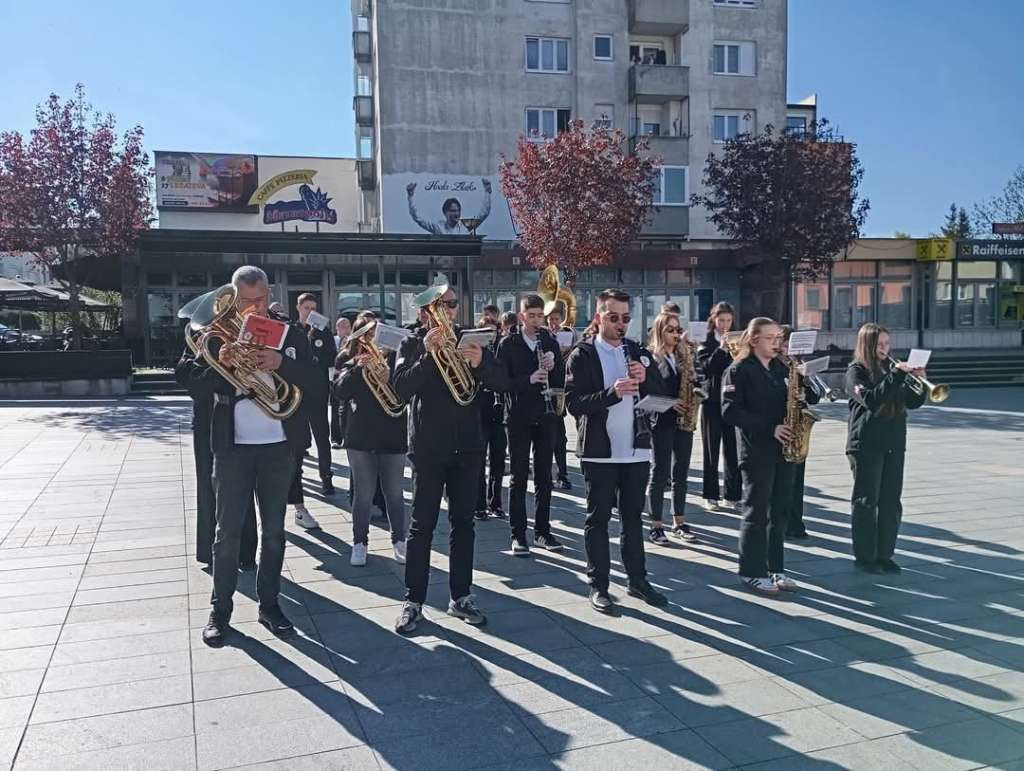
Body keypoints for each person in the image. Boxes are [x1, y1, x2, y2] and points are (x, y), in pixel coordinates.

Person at [182, 266, 316, 646]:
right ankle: (219, 610)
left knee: (274, 533)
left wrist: (281, 364)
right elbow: (187, 380)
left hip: (277, 446)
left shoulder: (288, 331)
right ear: (232, 298)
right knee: (227, 534)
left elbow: (316, 380)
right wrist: (220, 364)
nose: (254, 308)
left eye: (260, 300)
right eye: (246, 301)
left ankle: (269, 605)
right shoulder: (211, 332)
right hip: (232, 448)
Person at [392, 284, 510, 634]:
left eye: (453, 304)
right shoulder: (411, 343)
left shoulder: (471, 339)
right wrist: (428, 357)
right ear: (424, 311)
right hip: (428, 446)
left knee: (464, 525)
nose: (449, 310)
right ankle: (413, 600)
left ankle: (461, 596)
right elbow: (400, 389)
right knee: (421, 525)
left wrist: (482, 362)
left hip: (469, 445)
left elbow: (503, 382)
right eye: (442, 305)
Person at [566, 289, 668, 613]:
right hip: (600, 452)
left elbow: (661, 395)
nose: (621, 324)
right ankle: (598, 586)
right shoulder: (582, 355)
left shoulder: (637, 350)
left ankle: (637, 580)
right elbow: (573, 404)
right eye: (613, 317)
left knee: (633, 520)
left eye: (626, 318)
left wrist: (647, 377)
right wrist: (612, 393)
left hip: (636, 451)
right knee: (597, 520)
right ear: (598, 318)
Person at [721, 317, 819, 595]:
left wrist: (804, 384)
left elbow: (808, 399)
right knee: (757, 512)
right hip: (757, 450)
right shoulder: (738, 370)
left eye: (779, 338)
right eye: (771, 338)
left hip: (785, 449)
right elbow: (729, 412)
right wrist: (769, 427)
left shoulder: (783, 367)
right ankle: (751, 571)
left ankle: (776, 568)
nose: (778, 343)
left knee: (780, 511)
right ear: (754, 340)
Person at [845, 323, 926, 574]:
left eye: (887, 344)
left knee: (891, 501)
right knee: (867, 501)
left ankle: (885, 554)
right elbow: (872, 400)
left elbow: (911, 403)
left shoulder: (892, 370)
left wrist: (920, 383)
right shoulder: (856, 371)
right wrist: (897, 375)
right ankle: (865, 556)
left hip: (893, 443)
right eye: (879, 344)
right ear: (867, 345)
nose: (885, 349)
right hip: (866, 443)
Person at [175, 339, 258, 570]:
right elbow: (192, 384)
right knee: (208, 486)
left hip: (240, 421)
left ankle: (246, 552)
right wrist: (218, 364)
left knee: (243, 487)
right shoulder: (197, 341)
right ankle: (210, 551)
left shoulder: (240, 336)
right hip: (207, 425)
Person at [333, 317, 408, 567]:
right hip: (361, 437)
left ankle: (399, 540)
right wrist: (357, 368)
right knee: (363, 495)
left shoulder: (398, 358)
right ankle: (359, 543)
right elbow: (340, 391)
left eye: (377, 334)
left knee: (395, 494)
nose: (373, 340)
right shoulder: (349, 360)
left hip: (392, 435)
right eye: (367, 334)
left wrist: (392, 377)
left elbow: (407, 391)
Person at [497, 294, 565, 555]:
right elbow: (501, 383)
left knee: (545, 476)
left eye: (540, 316)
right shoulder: (508, 344)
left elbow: (559, 378)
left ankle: (542, 531)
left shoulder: (549, 340)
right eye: (532, 316)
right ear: (522, 316)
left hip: (546, 415)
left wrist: (553, 364)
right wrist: (529, 379)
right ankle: (518, 534)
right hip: (518, 417)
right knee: (518, 477)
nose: (537, 321)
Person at [645, 311, 698, 545]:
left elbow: (692, 381)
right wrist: (671, 403)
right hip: (662, 421)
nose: (676, 334)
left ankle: (679, 521)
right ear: (659, 331)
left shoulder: (683, 355)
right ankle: (656, 525)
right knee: (660, 472)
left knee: (681, 474)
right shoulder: (649, 357)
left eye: (678, 329)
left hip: (684, 421)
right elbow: (646, 394)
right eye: (671, 330)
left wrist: (697, 389)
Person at [696, 302, 741, 510]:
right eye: (721, 320)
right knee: (711, 451)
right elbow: (706, 367)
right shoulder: (705, 340)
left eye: (728, 320)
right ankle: (710, 494)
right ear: (713, 320)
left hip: (732, 401)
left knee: (733, 449)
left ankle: (732, 495)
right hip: (711, 401)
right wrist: (722, 349)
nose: (725, 325)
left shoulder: (738, 339)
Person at [295, 294, 337, 500]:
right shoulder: (292, 330)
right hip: (297, 394)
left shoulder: (323, 331)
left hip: (318, 393)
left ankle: (326, 477)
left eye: (313, 307)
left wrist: (316, 344)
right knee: (298, 439)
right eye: (306, 307)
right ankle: (297, 479)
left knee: (322, 437)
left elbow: (332, 357)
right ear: (298, 308)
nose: (310, 311)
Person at [475, 305, 507, 520]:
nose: (491, 336)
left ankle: (495, 502)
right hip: (479, 413)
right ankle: (479, 505)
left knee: (498, 461)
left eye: (493, 332)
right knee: (478, 462)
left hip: (499, 414)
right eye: (486, 332)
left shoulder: (502, 351)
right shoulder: (475, 354)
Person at [779, 326, 810, 541]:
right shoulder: (772, 366)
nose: (786, 348)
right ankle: (782, 524)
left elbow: (815, 397)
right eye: (783, 343)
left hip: (798, 424)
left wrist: (805, 390)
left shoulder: (799, 366)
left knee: (798, 480)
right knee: (783, 482)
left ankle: (796, 523)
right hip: (781, 425)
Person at [546, 303, 577, 491]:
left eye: (556, 320)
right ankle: (547, 474)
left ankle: (563, 474)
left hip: (560, 389)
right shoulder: (543, 337)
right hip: (545, 392)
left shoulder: (568, 335)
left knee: (561, 438)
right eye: (551, 320)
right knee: (544, 438)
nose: (554, 324)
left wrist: (568, 351)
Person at [406, 179, 492, 235]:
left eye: (458, 211)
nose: (456, 214)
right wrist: (410, 196)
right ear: (445, 212)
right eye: (453, 211)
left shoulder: (465, 225)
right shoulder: (438, 227)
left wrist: (487, 192)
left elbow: (484, 213)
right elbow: (417, 218)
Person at [330, 316, 352, 449]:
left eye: (347, 326)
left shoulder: (353, 341)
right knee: (335, 409)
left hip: (348, 379)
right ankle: (336, 438)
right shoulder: (332, 340)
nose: (345, 329)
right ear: (337, 328)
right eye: (342, 326)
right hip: (334, 378)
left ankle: (346, 437)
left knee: (347, 410)